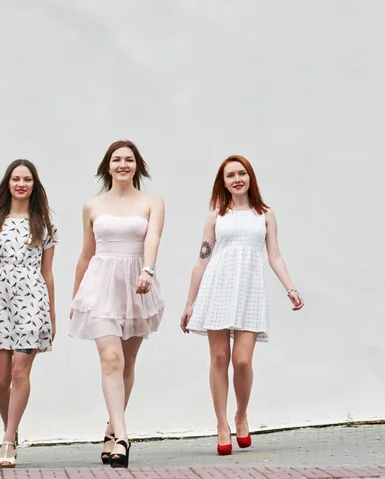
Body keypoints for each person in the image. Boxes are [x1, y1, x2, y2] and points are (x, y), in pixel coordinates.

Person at [180, 155, 304, 456]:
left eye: (241, 173)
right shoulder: (215, 217)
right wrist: (189, 302)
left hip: (250, 291)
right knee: (220, 358)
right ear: (222, 183)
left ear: (250, 177)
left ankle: (241, 415)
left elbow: (274, 255)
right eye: (230, 175)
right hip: (217, 289)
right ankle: (222, 424)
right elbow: (203, 257)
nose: (237, 179)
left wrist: (290, 288)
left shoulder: (265, 214)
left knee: (243, 361)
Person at [69, 140, 165, 468]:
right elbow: (86, 253)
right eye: (116, 159)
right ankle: (123, 436)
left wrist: (148, 270)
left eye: (129, 159)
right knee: (110, 359)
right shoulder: (92, 206)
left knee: (127, 362)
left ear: (137, 165)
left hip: (137, 284)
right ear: (107, 166)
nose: (123, 164)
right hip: (99, 286)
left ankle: (111, 429)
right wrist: (76, 296)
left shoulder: (152, 202)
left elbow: (152, 239)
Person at [0, 159, 58, 468]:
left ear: (34, 185)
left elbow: (47, 273)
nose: (21, 183)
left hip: (32, 302)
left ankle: (9, 440)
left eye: (27, 179)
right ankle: (10, 427)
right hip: (1, 302)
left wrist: (50, 313)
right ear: (7, 183)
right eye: (15, 178)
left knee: (19, 372)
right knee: (0, 381)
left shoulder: (44, 224)